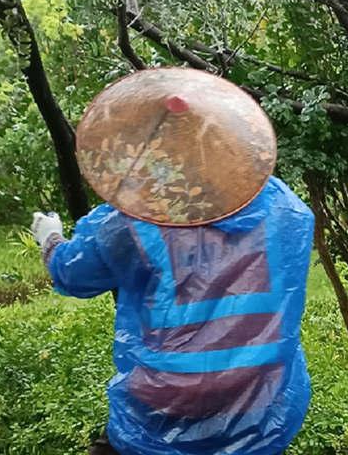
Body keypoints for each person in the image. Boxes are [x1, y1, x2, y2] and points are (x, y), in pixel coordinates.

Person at [30, 68, 315, 455]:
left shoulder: (134, 220)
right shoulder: (287, 208)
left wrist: (50, 238)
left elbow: (73, 273)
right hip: (261, 398)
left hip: (165, 402)